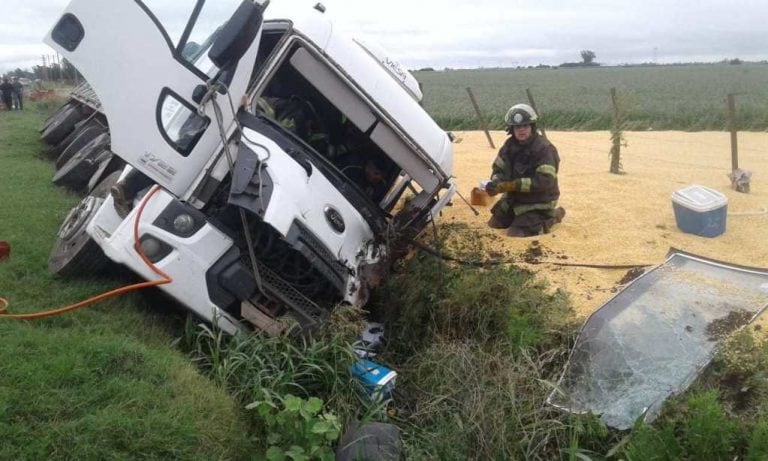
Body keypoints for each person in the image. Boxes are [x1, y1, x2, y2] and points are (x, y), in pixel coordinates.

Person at [485, 103, 565, 237]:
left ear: (532, 127)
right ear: (511, 129)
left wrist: (511, 185)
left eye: (525, 126)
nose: (521, 130)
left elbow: (544, 181)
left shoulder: (544, 149)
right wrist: (496, 184)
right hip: (515, 198)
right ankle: (520, 217)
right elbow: (498, 169)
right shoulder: (508, 146)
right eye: (517, 127)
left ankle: (553, 217)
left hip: (539, 200)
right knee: (495, 223)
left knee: (516, 233)